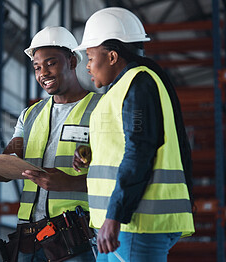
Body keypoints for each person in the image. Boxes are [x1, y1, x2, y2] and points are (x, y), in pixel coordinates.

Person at [0, 26, 102, 261]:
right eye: (37, 67)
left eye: (51, 63)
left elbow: (117, 175)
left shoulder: (101, 108)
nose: (43, 73)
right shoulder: (30, 115)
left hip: (76, 237)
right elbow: (5, 170)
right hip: (29, 238)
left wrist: (68, 182)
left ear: (71, 61)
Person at [72, 7, 195, 262]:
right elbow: (125, 146)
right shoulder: (119, 91)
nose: (87, 66)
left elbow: (139, 151)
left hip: (135, 224)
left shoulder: (138, 84)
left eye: (90, 57)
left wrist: (115, 215)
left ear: (113, 56)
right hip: (121, 224)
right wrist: (90, 154)